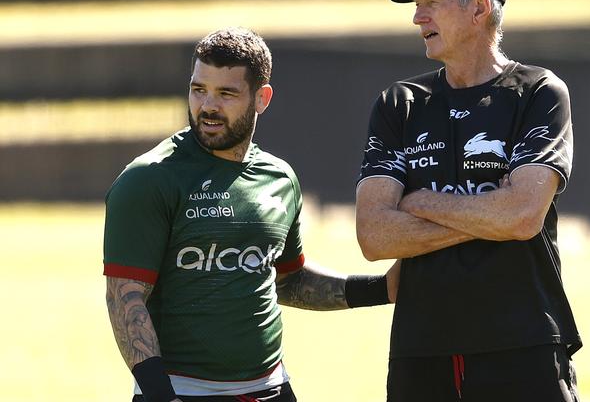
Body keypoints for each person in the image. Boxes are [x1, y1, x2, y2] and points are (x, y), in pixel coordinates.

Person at [104, 27, 396, 402]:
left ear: (262, 98)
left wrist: (382, 289)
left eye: (226, 93)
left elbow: (286, 281)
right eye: (199, 90)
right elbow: (124, 299)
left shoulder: (280, 178)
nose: (208, 105)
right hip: (183, 392)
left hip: (272, 388)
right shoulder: (148, 179)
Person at [355, 0, 582, 401]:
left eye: (431, 4)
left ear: (478, 7)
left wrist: (418, 202)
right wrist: (487, 216)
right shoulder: (399, 103)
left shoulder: (538, 92)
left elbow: (521, 216)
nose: (418, 19)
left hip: (524, 343)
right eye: (417, 8)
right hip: (422, 352)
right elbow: (374, 236)